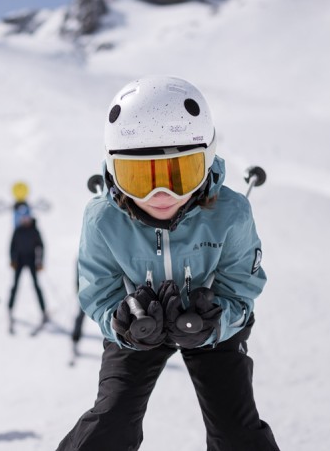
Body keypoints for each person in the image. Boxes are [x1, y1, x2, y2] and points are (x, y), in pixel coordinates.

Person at [56, 76, 279, 451]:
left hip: (212, 326)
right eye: (139, 177)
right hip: (140, 324)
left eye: (181, 174)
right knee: (110, 421)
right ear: (113, 171)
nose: (161, 196)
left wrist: (215, 321)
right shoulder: (102, 220)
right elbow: (97, 291)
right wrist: (120, 321)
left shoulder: (232, 213)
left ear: (207, 160)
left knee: (236, 431)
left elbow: (243, 287)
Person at [7, 204, 47, 333]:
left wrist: (39, 261)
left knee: (36, 285)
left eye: (27, 217)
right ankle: (10, 309)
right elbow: (12, 246)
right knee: (15, 285)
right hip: (19, 260)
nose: (25, 220)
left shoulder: (34, 230)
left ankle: (43, 310)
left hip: (31, 260)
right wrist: (12, 260)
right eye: (23, 218)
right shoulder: (17, 230)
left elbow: (41, 246)